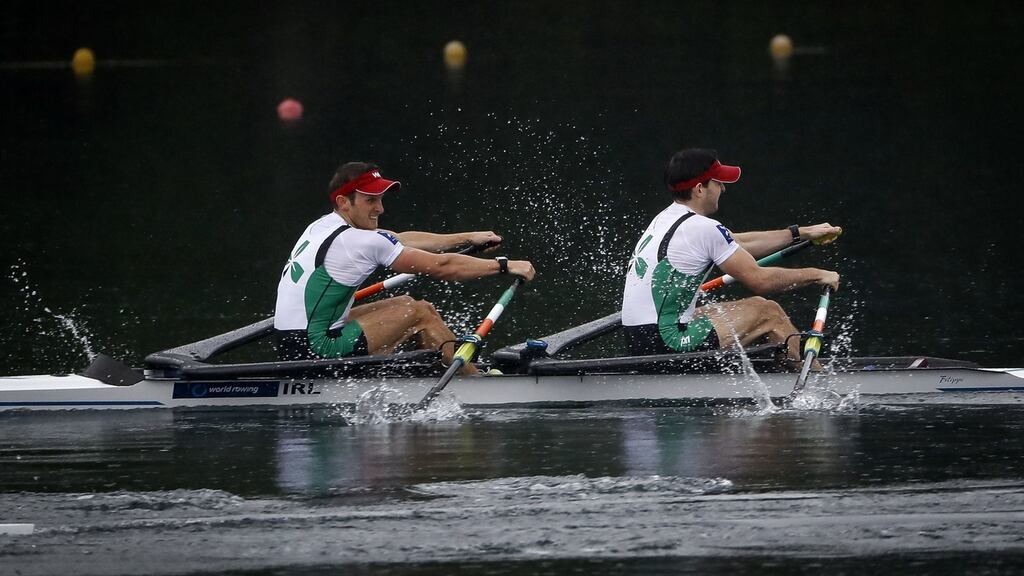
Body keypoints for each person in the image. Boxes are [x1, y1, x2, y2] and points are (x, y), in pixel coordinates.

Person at [274, 161, 535, 373]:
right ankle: (475, 382)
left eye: (381, 199)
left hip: (294, 341)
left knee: (405, 303)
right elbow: (444, 267)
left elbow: (398, 239)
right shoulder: (358, 240)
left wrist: (468, 237)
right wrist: (505, 265)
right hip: (315, 349)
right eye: (370, 200)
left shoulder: (322, 226)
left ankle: (431, 367)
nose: (380, 208)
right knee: (419, 312)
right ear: (344, 202)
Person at [621, 148, 841, 365]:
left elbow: (736, 243)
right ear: (699, 189)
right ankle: (817, 389)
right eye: (717, 182)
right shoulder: (704, 228)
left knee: (736, 308)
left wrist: (800, 233)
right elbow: (761, 281)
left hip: (639, 338)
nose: (723, 188)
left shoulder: (664, 220)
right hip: (667, 340)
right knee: (768, 311)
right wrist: (817, 275)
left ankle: (787, 370)